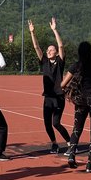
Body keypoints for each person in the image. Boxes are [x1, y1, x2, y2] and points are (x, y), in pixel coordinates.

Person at [61, 41, 91, 173]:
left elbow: (62, 84)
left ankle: (71, 155)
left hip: (80, 100)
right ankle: (89, 162)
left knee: (77, 128)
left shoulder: (76, 66)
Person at [28, 17, 71, 154]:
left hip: (58, 97)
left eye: (51, 50)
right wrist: (32, 33)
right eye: (47, 50)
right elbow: (36, 47)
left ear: (56, 52)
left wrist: (54, 30)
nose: (48, 51)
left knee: (56, 123)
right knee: (47, 124)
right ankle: (54, 144)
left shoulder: (60, 61)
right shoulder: (44, 61)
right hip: (48, 98)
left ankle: (70, 143)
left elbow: (61, 46)